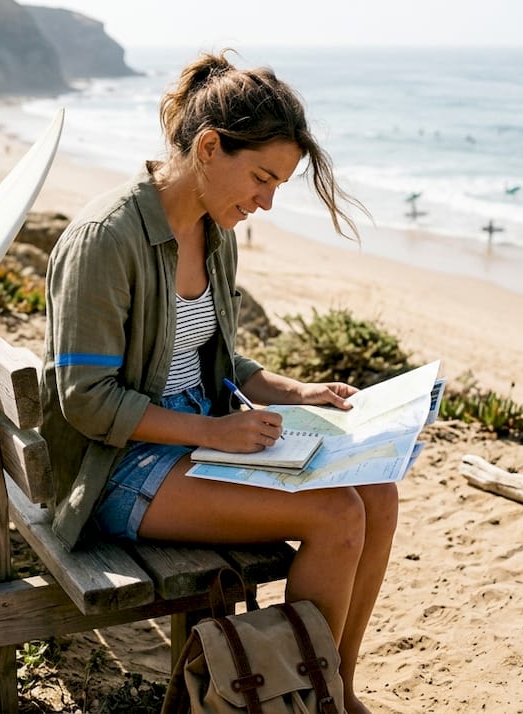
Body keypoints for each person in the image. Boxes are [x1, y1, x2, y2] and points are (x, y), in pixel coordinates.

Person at [39, 50, 390, 714]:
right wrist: (215, 432)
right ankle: (314, 693)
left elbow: (219, 361)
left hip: (199, 437)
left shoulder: (214, 230)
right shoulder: (106, 238)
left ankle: (328, 689)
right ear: (208, 146)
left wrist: (294, 391)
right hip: (117, 464)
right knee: (337, 514)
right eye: (261, 178)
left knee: (378, 487)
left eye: (277, 185)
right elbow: (85, 402)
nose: (265, 201)